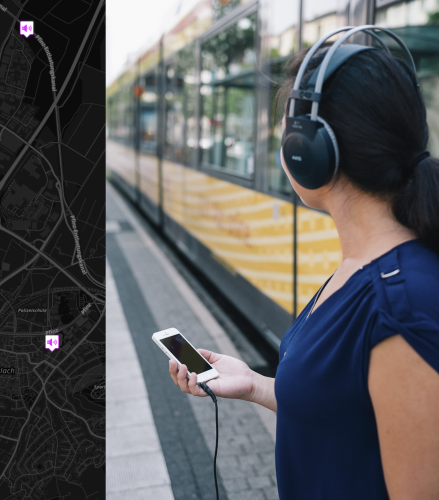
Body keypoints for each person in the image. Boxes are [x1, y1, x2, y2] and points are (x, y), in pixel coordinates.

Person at [169, 39, 439, 499]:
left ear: (306, 150)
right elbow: (345, 409)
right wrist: (254, 384)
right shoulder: (359, 269)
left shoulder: (402, 305)